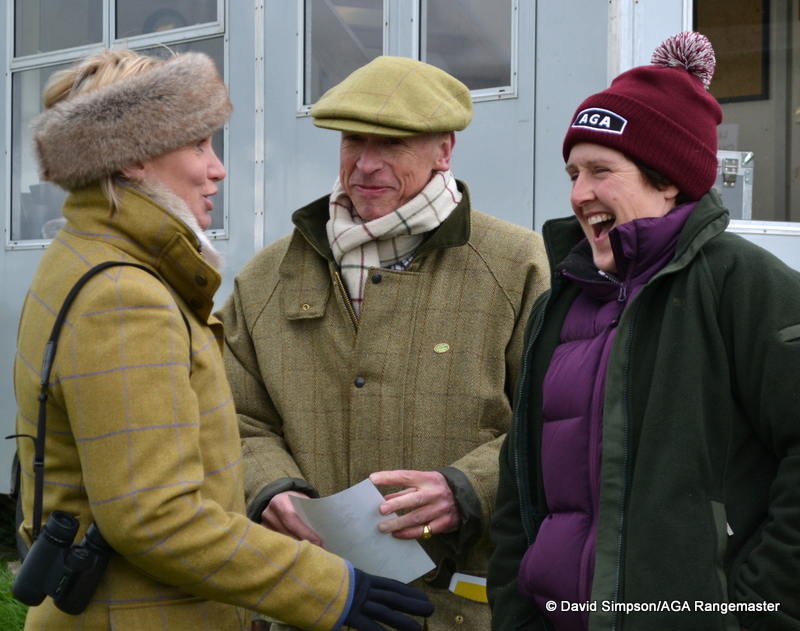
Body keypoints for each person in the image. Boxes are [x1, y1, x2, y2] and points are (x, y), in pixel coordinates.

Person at [13, 48, 432, 631]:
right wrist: (330, 590)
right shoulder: (123, 295)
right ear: (132, 158)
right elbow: (155, 516)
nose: (218, 167)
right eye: (197, 145)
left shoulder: (82, 257)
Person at [218, 55, 550, 630]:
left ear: (444, 150)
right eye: (352, 142)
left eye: (391, 144)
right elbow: (230, 412)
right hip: (306, 602)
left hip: (457, 611)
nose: (365, 165)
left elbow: (557, 419)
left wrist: (467, 489)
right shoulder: (269, 276)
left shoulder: (516, 264)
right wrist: (267, 486)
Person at [487, 31, 800, 631]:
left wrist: (757, 610)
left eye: (602, 170)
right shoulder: (560, 303)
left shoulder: (742, 284)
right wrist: (516, 612)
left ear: (668, 180)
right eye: (573, 171)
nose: (579, 194)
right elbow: (520, 489)